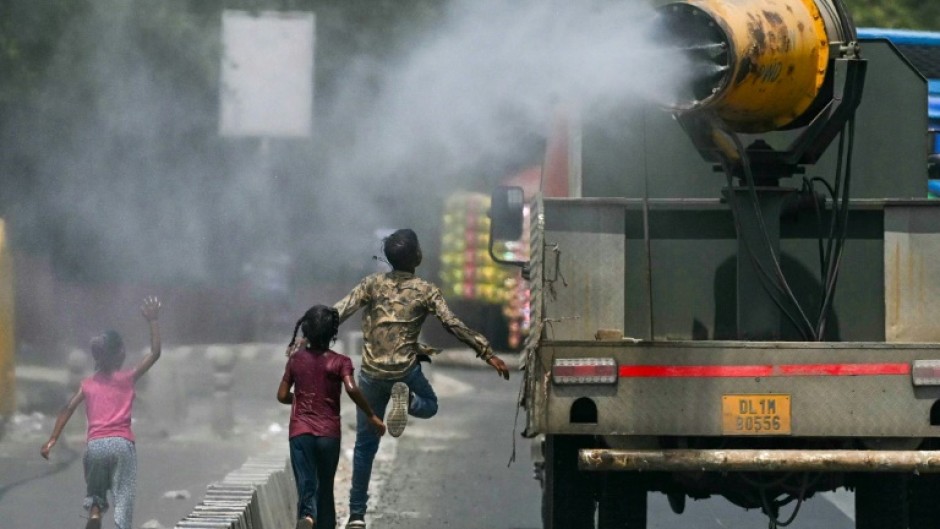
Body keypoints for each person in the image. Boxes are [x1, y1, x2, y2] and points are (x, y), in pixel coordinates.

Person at [333, 228, 511, 529]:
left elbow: (339, 310)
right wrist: (487, 352)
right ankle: (410, 400)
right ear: (417, 257)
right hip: (405, 371)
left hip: (372, 374)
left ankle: (357, 516)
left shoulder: (371, 284)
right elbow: (452, 324)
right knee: (430, 404)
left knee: (365, 446)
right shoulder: (426, 290)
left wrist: (307, 338)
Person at [40, 296, 162, 529]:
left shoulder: (87, 384)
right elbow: (155, 353)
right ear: (120, 354)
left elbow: (67, 408)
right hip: (122, 445)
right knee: (123, 502)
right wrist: (153, 321)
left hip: (96, 447)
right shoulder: (127, 378)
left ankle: (95, 516)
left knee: (95, 500)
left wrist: (52, 439)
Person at [278, 304, 387, 529]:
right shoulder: (340, 362)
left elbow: (281, 396)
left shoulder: (295, 360)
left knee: (307, 484)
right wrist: (371, 415)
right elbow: (352, 389)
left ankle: (307, 516)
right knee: (325, 486)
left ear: (306, 331)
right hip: (329, 434)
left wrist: (299, 398)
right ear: (332, 334)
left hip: (300, 432)